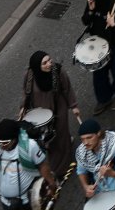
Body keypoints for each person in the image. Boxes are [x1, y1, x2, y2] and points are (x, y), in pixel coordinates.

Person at [20, 49, 79, 183]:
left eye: (49, 60)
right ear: (36, 67)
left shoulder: (58, 72)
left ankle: (62, 169)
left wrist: (73, 106)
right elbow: (26, 92)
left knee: (61, 137)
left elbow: (67, 89)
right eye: (44, 63)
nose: (49, 64)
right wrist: (23, 107)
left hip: (59, 110)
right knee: (49, 141)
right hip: (40, 115)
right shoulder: (29, 76)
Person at [74, 117, 115, 206]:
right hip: (101, 196)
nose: (85, 142)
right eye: (82, 139)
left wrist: (113, 174)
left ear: (98, 133)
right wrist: (86, 186)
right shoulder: (82, 152)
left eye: (89, 137)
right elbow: (81, 171)